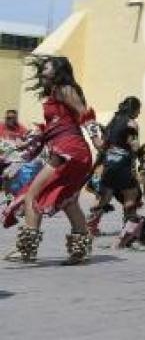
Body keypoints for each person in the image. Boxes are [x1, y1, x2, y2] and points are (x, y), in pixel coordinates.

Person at [5, 55, 101, 265]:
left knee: (32, 195)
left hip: (69, 149)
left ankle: (26, 250)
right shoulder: (57, 92)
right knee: (69, 201)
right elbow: (57, 123)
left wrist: (96, 140)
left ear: (58, 70)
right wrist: (31, 139)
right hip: (69, 149)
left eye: (46, 68)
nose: (42, 71)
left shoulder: (64, 89)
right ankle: (79, 251)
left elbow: (84, 114)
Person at [87, 97, 145, 245]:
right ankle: (126, 235)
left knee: (104, 197)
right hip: (123, 164)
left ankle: (88, 229)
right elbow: (134, 145)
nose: (139, 113)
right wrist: (142, 159)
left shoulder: (112, 123)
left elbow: (101, 146)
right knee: (131, 198)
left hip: (108, 164)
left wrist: (93, 131)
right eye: (139, 110)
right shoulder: (131, 123)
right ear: (134, 109)